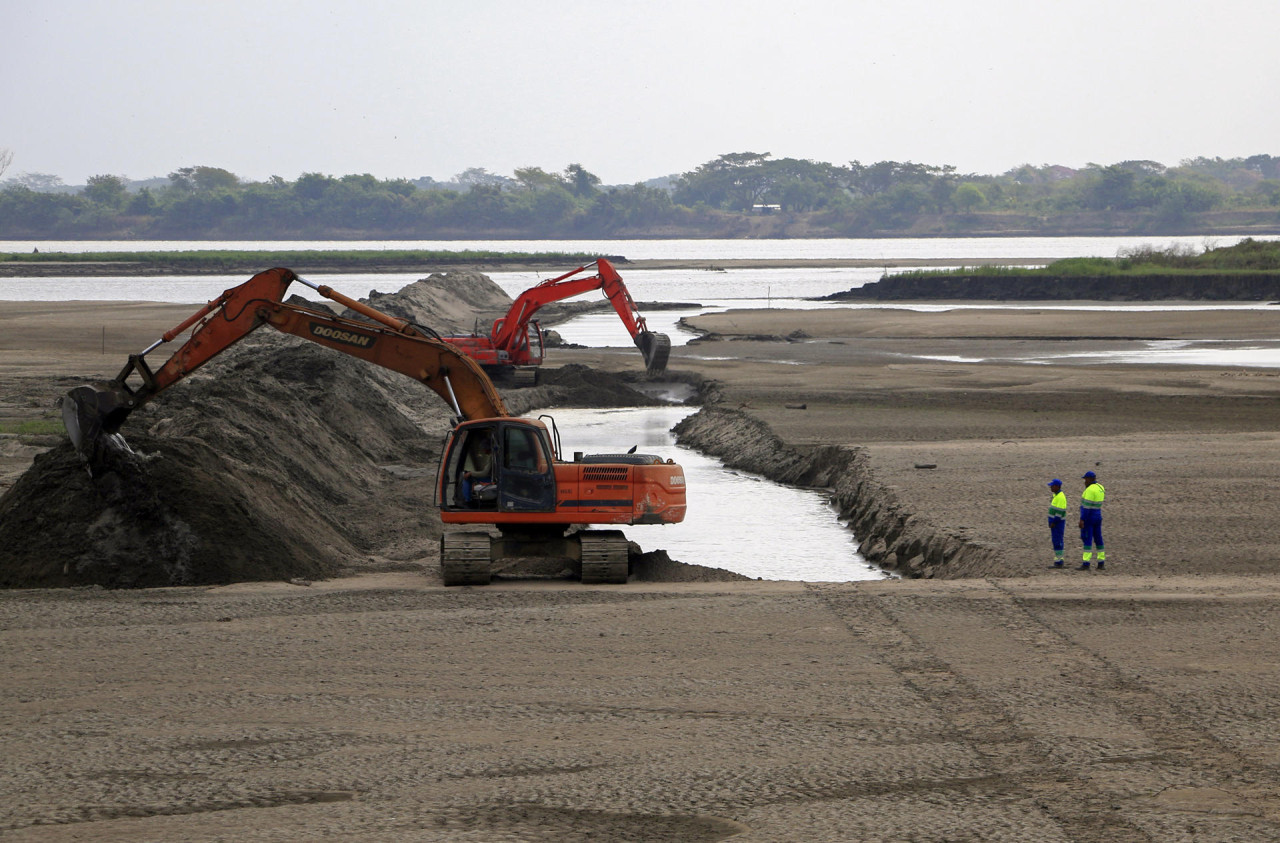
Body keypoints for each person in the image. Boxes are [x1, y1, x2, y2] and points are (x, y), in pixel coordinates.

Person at [1078, 470, 1106, 570]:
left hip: (1089, 517)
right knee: (1098, 539)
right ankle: (1101, 562)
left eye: (1086, 479)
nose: (1085, 482)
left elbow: (1086, 508)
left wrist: (1082, 519)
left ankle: (1086, 563)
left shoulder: (1089, 490)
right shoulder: (1100, 487)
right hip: (1098, 515)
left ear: (1090, 479)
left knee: (1087, 539)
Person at [1046, 479, 1067, 567]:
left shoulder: (1061, 497)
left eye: (1052, 486)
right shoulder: (1056, 495)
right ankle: (1058, 559)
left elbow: (1060, 511)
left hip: (1058, 523)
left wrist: (1054, 522)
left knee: (1058, 541)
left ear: (1057, 486)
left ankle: (1059, 561)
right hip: (1055, 523)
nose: (1050, 487)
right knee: (1055, 541)